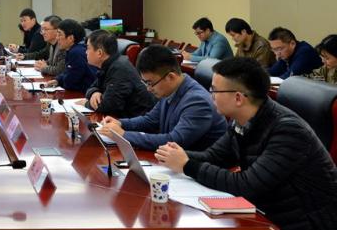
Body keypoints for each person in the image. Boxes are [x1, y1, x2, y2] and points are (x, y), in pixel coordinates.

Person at [155, 57, 337, 230]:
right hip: (268, 217)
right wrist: (176, 155)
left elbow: (246, 185)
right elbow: (215, 157)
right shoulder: (242, 120)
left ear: (239, 98)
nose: (210, 95)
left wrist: (187, 164)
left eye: (214, 90)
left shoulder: (288, 131)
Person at [98, 44, 227, 150]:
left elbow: (174, 141)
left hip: (197, 167)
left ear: (170, 77)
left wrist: (123, 135)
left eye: (150, 83)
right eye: (145, 83)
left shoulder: (197, 102)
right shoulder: (171, 90)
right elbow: (150, 120)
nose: (148, 89)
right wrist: (120, 123)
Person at [83, 30, 156, 118]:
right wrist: (94, 92)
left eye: (88, 48)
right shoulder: (109, 65)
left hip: (137, 121)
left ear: (99, 53)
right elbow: (92, 87)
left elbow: (108, 107)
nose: (86, 52)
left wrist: (86, 103)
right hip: (122, 118)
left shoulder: (120, 69)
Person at [48, 18, 96, 92]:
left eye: (60, 34)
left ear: (71, 38)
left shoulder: (76, 53)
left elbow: (70, 82)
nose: (57, 38)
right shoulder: (75, 49)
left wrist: (61, 81)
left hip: (84, 94)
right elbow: (67, 72)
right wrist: (58, 80)